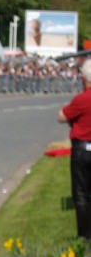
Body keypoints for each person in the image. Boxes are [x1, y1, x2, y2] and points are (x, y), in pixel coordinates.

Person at [57, 58, 91, 242]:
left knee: (81, 194)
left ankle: (85, 237)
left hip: (83, 147)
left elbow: (62, 116)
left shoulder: (82, 99)